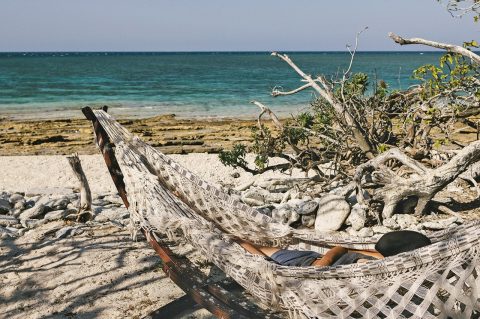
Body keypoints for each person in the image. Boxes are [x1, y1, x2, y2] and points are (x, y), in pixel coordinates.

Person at [237, 230, 431, 267]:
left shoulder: (389, 267)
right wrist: (325, 261)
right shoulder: (379, 256)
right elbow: (342, 248)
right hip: (309, 261)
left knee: (265, 262)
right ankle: (233, 238)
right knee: (247, 246)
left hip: (307, 272)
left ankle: (262, 264)